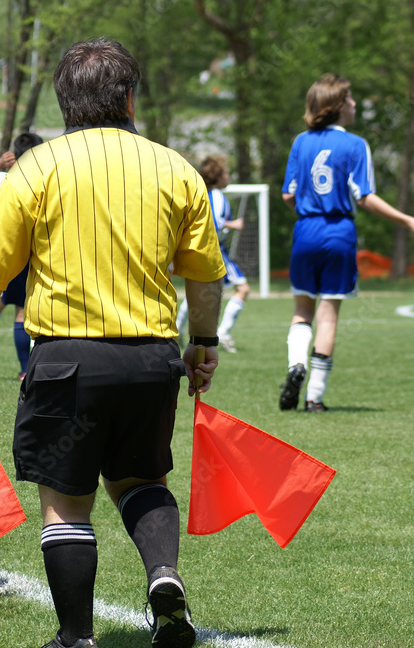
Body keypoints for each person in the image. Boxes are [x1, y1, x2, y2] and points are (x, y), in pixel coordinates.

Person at [0, 38, 225, 648]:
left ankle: (77, 641)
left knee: (66, 501)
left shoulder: (35, 171)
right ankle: (162, 575)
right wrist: (202, 343)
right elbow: (205, 277)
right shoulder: (176, 170)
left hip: (68, 361)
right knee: (141, 479)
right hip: (153, 359)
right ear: (128, 99)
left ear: (65, 102)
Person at [279, 73, 414, 412]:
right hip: (339, 232)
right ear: (339, 106)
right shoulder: (355, 145)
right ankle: (314, 397)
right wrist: (406, 219)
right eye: (351, 99)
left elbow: (287, 195)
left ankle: (296, 364)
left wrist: (309, 213)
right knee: (328, 317)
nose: (355, 104)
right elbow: (364, 197)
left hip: (305, 231)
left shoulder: (300, 142)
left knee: (302, 311)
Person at [0, 133, 44, 380]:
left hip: (12, 250)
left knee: (20, 308)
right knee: (31, 308)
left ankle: (26, 369)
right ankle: (31, 368)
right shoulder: (47, 178)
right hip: (42, 250)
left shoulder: (6, 178)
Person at [175, 155, 251, 352]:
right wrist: (234, 224)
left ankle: (178, 328)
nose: (228, 177)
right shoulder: (216, 195)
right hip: (214, 250)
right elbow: (215, 224)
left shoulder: (203, 191)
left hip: (206, 248)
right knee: (242, 289)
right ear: (218, 176)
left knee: (198, 291)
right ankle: (223, 332)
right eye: (225, 173)